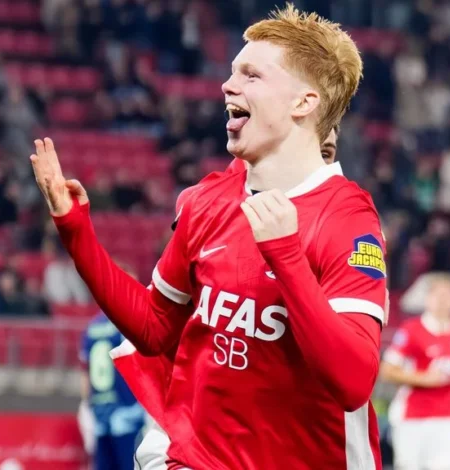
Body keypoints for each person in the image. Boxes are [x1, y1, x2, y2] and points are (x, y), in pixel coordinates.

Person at [33, 5, 385, 469]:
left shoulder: (347, 219)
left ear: (303, 103)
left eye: (252, 75)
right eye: (233, 71)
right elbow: (154, 328)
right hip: (194, 457)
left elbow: (353, 382)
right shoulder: (206, 199)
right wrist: (75, 229)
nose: (227, 85)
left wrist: (286, 256)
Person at [131, 124, 340, 469]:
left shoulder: (341, 229)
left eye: (327, 152)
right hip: (190, 431)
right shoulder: (206, 204)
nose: (318, 162)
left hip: (278, 439)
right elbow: (156, 320)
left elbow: (346, 365)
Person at [379, 273, 450, 470]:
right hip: (413, 417)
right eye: (439, 295)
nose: (443, 301)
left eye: (448, 295)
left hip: (447, 417)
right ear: (428, 298)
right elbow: (387, 370)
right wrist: (425, 379)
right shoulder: (411, 330)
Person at [79, 265, 145, 470]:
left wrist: (86, 405)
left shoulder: (92, 327)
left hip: (100, 412)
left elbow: (85, 373)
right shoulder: (127, 322)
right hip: (127, 410)